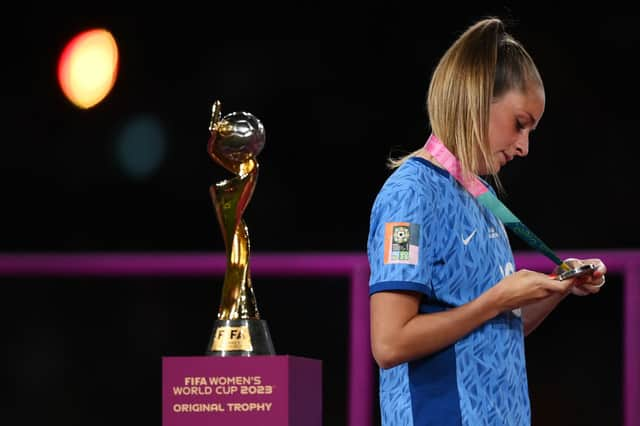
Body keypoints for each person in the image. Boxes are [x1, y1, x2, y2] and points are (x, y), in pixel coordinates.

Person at [366, 17, 607, 426]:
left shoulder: (484, 199)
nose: (524, 146)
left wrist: (556, 289)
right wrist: (496, 299)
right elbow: (389, 343)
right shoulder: (410, 194)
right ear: (477, 98)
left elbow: (495, 330)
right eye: (520, 124)